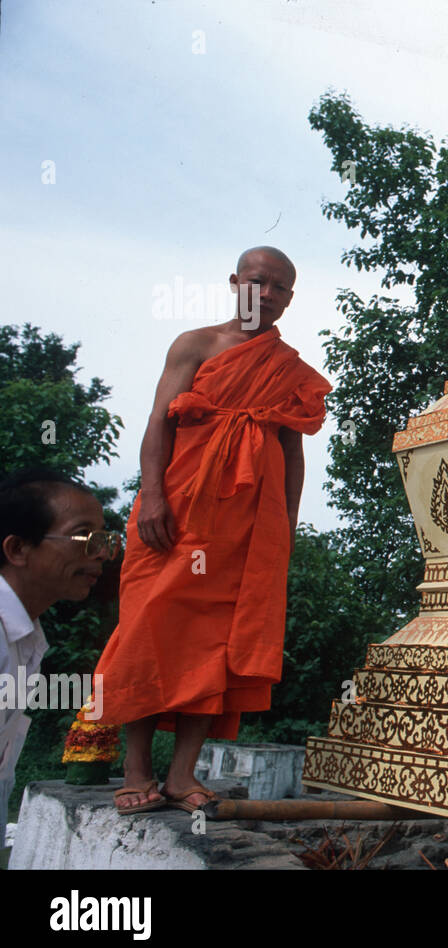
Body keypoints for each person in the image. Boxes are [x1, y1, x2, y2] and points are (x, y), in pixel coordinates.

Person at [94, 246, 332, 814]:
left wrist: (287, 523)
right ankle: (135, 768)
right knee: (148, 626)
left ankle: (181, 775)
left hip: (247, 527)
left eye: (279, 287)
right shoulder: (194, 346)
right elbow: (157, 423)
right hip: (175, 511)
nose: (267, 294)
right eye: (258, 281)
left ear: (290, 298)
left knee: (216, 644)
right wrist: (152, 497)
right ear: (235, 282)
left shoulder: (290, 369)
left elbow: (290, 450)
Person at [1, 468, 117, 820]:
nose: (101, 554)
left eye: (105, 540)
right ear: (18, 548)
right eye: (83, 537)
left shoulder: (25, 636)